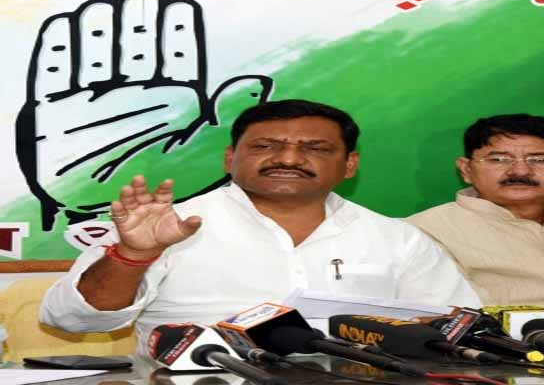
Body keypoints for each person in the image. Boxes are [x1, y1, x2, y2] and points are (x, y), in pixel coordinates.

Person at [40, 99, 480, 354]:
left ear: (350, 165)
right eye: (266, 146)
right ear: (230, 158)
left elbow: (455, 327)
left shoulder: (396, 238)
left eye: (314, 148)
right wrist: (133, 256)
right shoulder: (167, 227)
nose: (288, 158)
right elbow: (70, 319)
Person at [408, 113, 544, 310]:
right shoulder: (422, 233)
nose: (520, 171)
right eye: (499, 159)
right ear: (466, 169)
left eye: (539, 159)